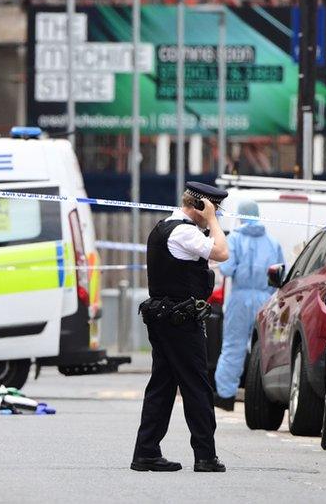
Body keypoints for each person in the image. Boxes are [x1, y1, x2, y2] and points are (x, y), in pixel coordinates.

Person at [132, 182, 229, 474]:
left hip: (165, 319)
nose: (217, 216)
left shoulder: (165, 227)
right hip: (180, 322)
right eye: (214, 209)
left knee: (162, 387)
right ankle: (205, 456)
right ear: (200, 207)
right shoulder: (184, 232)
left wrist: (209, 220)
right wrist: (211, 220)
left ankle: (146, 452)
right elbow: (222, 252)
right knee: (197, 386)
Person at [213, 200, 283, 411]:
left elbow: (226, 269)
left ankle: (225, 396)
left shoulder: (233, 239)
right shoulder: (272, 242)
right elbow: (280, 274)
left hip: (240, 299)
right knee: (265, 348)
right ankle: (264, 395)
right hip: (265, 300)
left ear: (240, 215)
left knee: (233, 347)